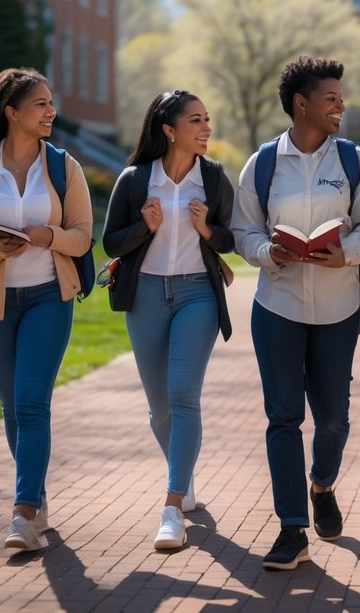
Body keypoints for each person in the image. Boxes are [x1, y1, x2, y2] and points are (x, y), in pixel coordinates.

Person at [232, 56, 360, 571]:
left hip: (339, 304)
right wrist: (266, 252)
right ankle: (291, 528)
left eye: (341, 97)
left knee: (335, 419)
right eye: (331, 97)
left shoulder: (353, 160)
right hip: (277, 304)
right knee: (283, 417)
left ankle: (322, 484)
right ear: (302, 104)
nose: (341, 105)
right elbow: (245, 230)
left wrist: (348, 251)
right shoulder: (263, 163)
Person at [0, 68, 93, 552]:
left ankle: (23, 513)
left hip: (49, 296)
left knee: (31, 403)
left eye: (51, 103)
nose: (51, 112)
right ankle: (37, 499)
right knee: (12, 409)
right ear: (12, 112)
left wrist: (48, 237)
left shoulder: (63, 167)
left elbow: (83, 236)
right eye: (41, 104)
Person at [101, 90, 235, 551]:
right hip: (147, 297)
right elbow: (110, 245)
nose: (206, 127)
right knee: (160, 408)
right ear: (169, 129)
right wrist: (144, 226)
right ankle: (185, 472)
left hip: (198, 293)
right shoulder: (136, 180)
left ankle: (172, 506)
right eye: (196, 119)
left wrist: (206, 230)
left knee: (183, 395)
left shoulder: (214, 180)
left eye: (207, 119)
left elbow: (230, 238)